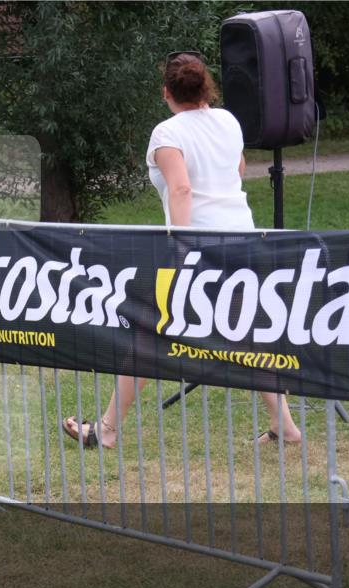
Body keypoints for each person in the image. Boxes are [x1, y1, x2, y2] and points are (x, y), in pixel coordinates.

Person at [63, 51, 301, 450]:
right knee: (248, 339)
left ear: (166, 93)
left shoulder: (166, 133)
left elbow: (182, 188)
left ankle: (106, 430)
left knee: (146, 336)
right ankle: (286, 428)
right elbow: (237, 169)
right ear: (206, 87)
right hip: (244, 240)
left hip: (201, 251)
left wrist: (183, 249)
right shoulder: (227, 121)